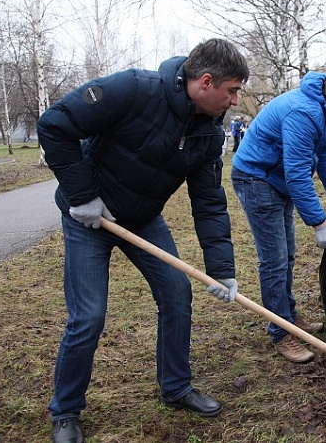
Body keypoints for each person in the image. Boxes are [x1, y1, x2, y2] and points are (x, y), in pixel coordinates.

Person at [37, 39, 249, 443]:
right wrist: (82, 196)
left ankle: (176, 386)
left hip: (142, 220)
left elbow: (208, 203)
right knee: (89, 316)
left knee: (176, 293)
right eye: (232, 90)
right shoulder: (133, 89)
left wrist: (222, 270)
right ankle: (65, 411)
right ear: (206, 82)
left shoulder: (208, 133)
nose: (235, 101)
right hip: (89, 218)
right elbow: (55, 124)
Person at [231, 63, 326, 363]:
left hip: (276, 178)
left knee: (288, 254)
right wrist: (319, 223)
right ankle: (281, 332)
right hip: (256, 178)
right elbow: (297, 175)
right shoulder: (304, 112)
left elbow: (323, 153)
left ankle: (288, 316)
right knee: (274, 259)